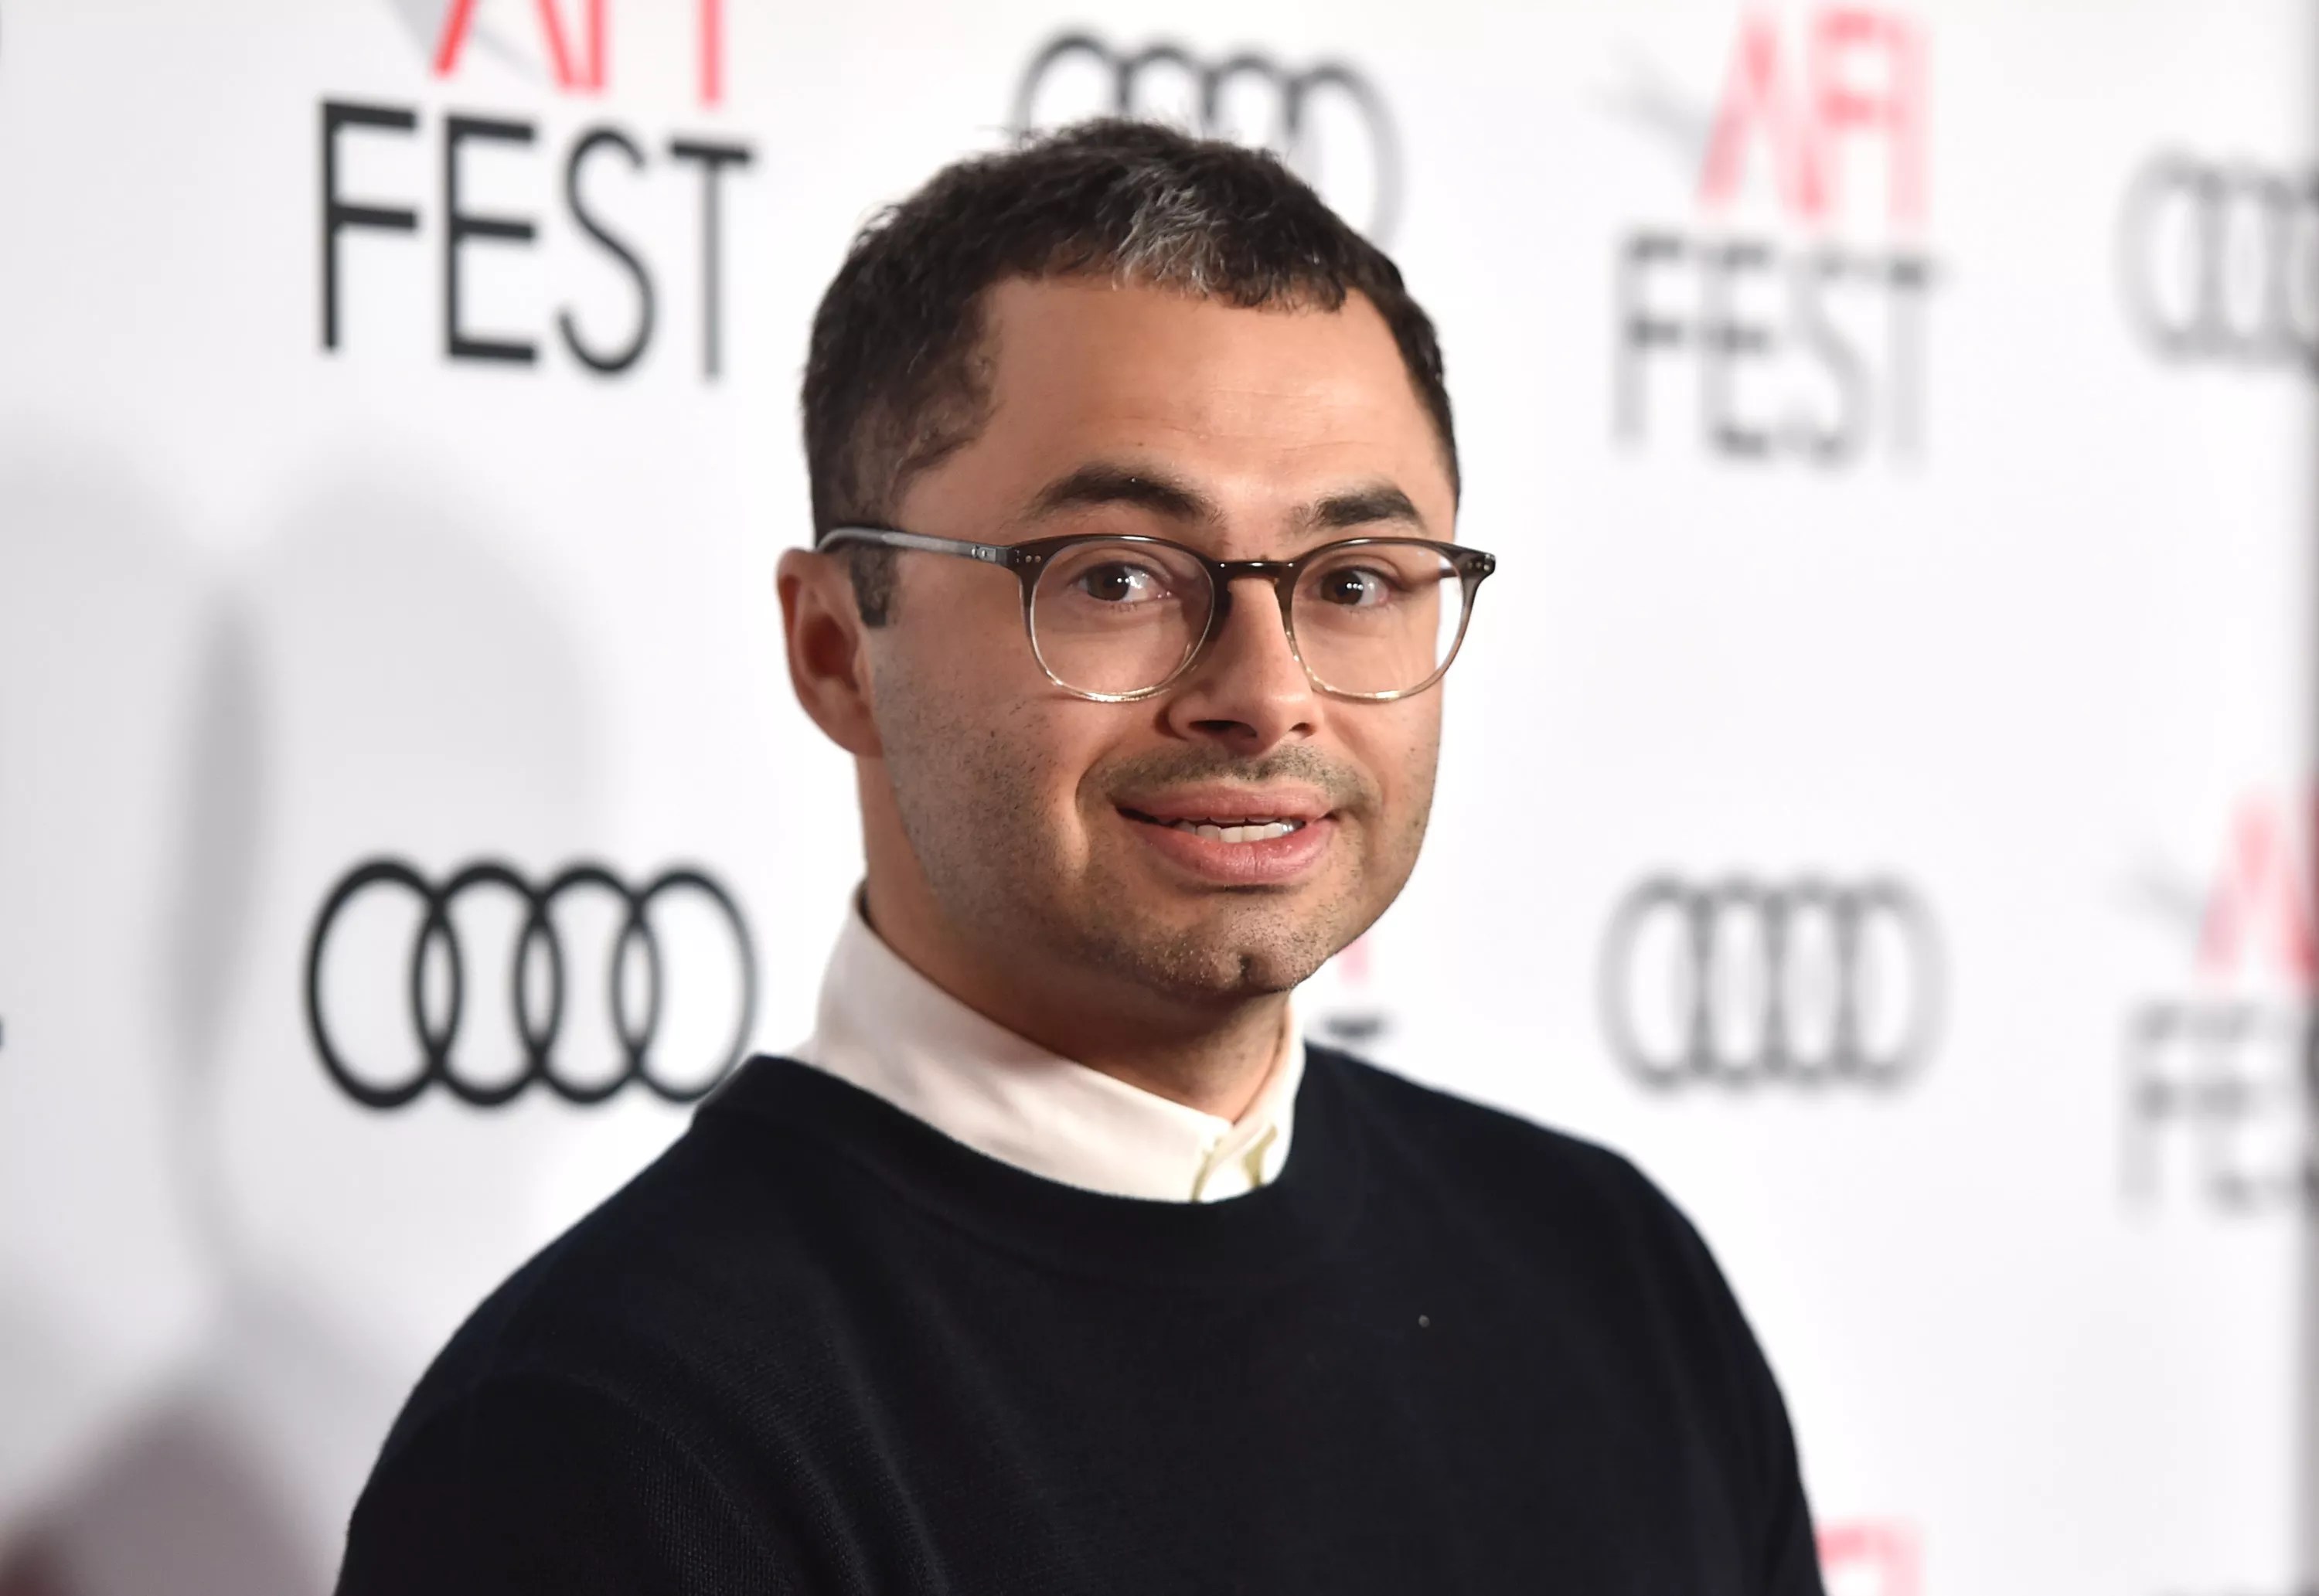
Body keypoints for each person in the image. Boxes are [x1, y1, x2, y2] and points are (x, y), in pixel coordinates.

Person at [335, 118, 1825, 1594]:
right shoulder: (611, 1447)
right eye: (1116, 576)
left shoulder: (1614, 1280)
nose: (1266, 692)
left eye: (1358, 579)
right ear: (839, 649)